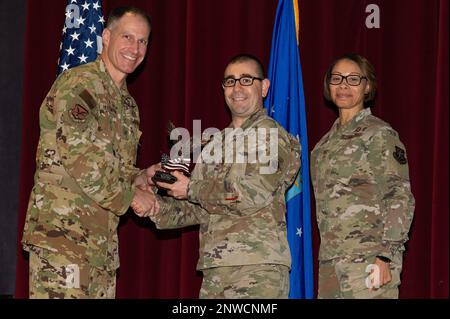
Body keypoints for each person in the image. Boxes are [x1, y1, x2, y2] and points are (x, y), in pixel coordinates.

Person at [136, 54, 300, 298]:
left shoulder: (271, 135)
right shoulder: (215, 144)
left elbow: (251, 193)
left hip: (257, 269)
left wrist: (191, 188)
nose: (237, 88)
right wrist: (155, 206)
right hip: (216, 270)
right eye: (230, 81)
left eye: (246, 80)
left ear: (264, 87)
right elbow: (200, 208)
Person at [21, 6, 158, 299]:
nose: (134, 48)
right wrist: (133, 197)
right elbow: (83, 162)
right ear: (106, 37)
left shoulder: (127, 106)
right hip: (62, 242)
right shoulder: (81, 86)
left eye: (142, 41)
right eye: (127, 37)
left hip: (100, 249)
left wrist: (140, 177)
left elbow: (112, 168)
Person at [310, 53, 415, 299]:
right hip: (331, 265)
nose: (343, 85)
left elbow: (399, 196)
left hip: (370, 260)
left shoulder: (379, 134)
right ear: (328, 85)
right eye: (337, 78)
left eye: (353, 79)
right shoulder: (322, 146)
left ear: (367, 86)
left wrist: (386, 255)